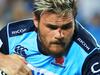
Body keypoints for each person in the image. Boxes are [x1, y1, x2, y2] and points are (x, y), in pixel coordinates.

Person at [0, 0, 99, 75]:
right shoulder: (12, 34)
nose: (59, 35)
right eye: (52, 27)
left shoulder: (89, 56)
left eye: (66, 27)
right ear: (36, 21)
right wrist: (3, 60)